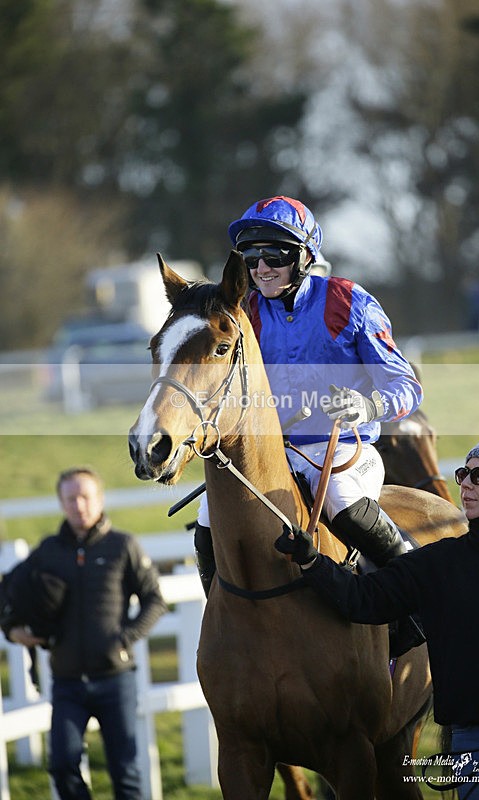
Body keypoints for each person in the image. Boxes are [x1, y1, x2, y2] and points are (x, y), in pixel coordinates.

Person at [275, 434, 479, 799]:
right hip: (476, 740)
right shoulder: (441, 560)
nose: (464, 485)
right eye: (463, 474)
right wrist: (312, 562)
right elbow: (364, 599)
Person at [195, 195, 422, 595]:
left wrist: (367, 405)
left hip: (342, 450)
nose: (261, 269)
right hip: (270, 453)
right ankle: (221, 619)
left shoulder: (349, 301)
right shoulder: (243, 311)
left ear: (304, 256)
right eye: (250, 258)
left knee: (344, 503)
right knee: (207, 518)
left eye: (274, 256)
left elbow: (406, 386)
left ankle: (420, 595)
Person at [1, 467, 166, 800]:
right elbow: (9, 590)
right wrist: (12, 631)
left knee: (126, 773)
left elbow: (155, 600)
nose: (79, 505)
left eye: (85, 496)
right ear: (61, 502)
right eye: (71, 498)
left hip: (116, 679)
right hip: (67, 682)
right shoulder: (48, 550)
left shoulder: (123, 546)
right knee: (62, 766)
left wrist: (124, 639)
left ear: (99, 499)